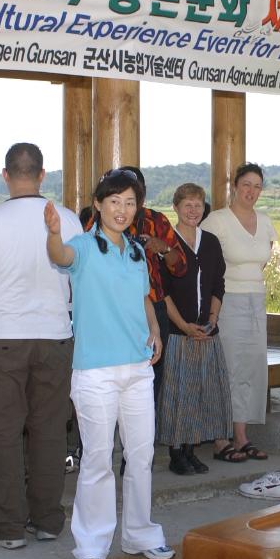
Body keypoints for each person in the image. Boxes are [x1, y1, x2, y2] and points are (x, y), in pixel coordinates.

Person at [45, 169, 173, 559]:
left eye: (130, 202)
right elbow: (59, 257)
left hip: (137, 368)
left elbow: (144, 299)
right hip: (95, 371)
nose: (122, 209)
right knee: (98, 457)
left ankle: (140, 534)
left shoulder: (136, 252)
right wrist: (51, 234)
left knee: (141, 455)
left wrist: (154, 329)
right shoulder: (82, 247)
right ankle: (92, 545)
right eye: (114, 201)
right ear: (98, 204)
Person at [0, 143, 82, 550]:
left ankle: (7, 526)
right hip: (55, 336)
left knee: (4, 434)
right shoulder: (67, 219)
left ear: (5, 174)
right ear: (43, 174)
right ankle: (47, 520)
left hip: (3, 337)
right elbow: (80, 287)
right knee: (50, 431)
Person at [201, 163, 278, 461]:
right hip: (227, 300)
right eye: (246, 184)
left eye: (257, 186)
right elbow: (206, 267)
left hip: (256, 300)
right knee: (228, 368)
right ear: (234, 185)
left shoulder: (266, 220)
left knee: (252, 367)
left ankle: (242, 436)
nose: (251, 191)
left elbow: (260, 261)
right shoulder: (216, 221)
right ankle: (221, 439)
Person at [93, 166, 188, 404]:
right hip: (107, 308)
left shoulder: (156, 220)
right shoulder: (96, 219)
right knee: (105, 374)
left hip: (150, 307)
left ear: (141, 195)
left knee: (150, 376)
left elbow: (181, 267)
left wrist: (162, 247)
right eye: (117, 197)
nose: (123, 206)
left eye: (131, 197)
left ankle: (144, 436)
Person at [158, 184, 235, 473]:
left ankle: (191, 449)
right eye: (187, 205)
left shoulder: (211, 242)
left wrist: (212, 320)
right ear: (175, 208)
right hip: (179, 332)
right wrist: (183, 326)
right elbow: (161, 292)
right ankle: (177, 452)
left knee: (202, 391)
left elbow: (218, 283)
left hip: (206, 330)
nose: (193, 211)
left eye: (198, 205)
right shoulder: (166, 244)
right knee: (179, 392)